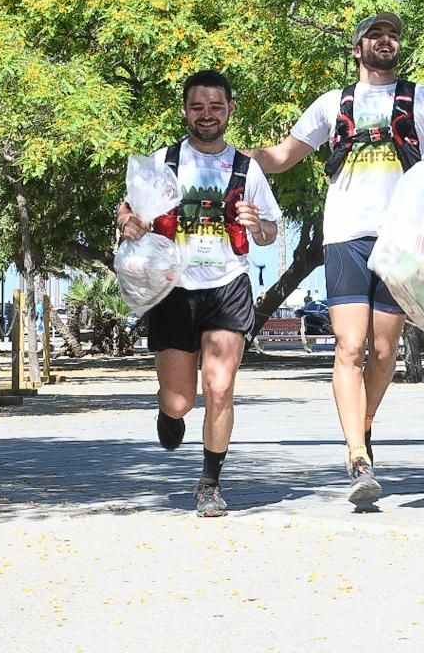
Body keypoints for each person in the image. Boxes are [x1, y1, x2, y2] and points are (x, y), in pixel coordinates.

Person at [245, 12, 424, 506]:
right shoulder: (333, 105)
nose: (385, 41)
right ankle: (357, 456)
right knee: (350, 347)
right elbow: (283, 155)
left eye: (392, 35)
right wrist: (235, 157)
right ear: (357, 49)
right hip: (346, 236)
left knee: (385, 351)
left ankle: (363, 424)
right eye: (375, 35)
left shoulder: (423, 101)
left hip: (405, 242)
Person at [116, 70, 280, 518]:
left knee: (221, 387)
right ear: (185, 110)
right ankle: (169, 416)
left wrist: (256, 224)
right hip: (173, 289)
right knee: (181, 399)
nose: (206, 115)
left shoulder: (248, 169)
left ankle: (210, 482)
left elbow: (269, 232)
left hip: (227, 285)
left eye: (215, 106)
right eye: (197, 107)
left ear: (230, 109)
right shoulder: (164, 160)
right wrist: (126, 221)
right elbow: (128, 210)